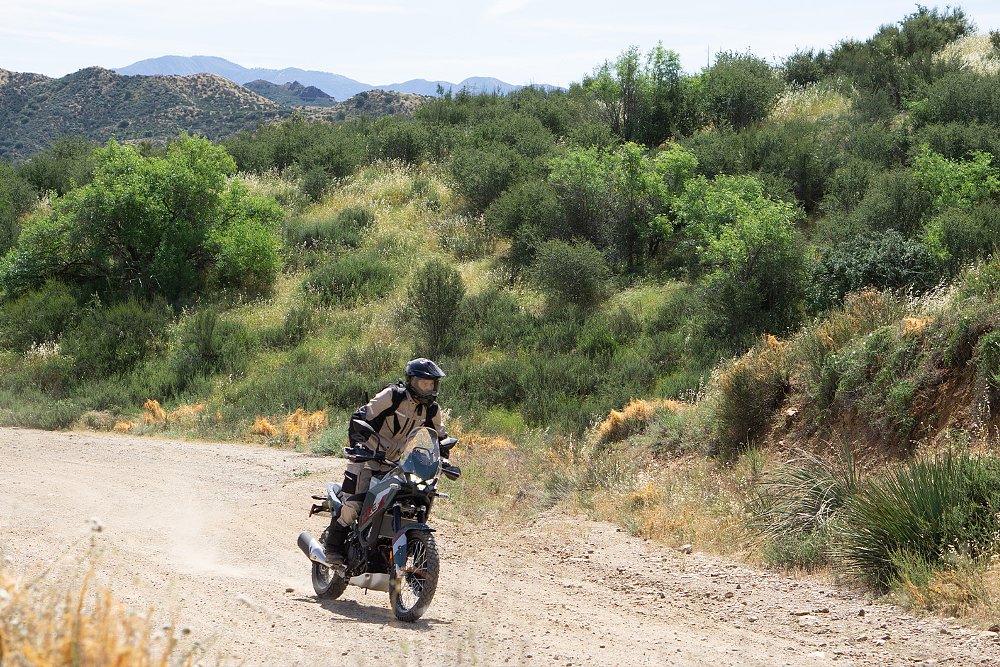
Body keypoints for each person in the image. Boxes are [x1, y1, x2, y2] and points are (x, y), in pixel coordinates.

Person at [324, 358, 449, 564]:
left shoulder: (432, 410)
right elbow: (359, 418)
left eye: (431, 384)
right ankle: (332, 548)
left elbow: (441, 438)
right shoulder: (392, 396)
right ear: (412, 381)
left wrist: (443, 459)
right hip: (368, 458)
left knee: (413, 501)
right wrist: (360, 446)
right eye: (423, 383)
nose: (427, 388)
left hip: (398, 465)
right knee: (355, 503)